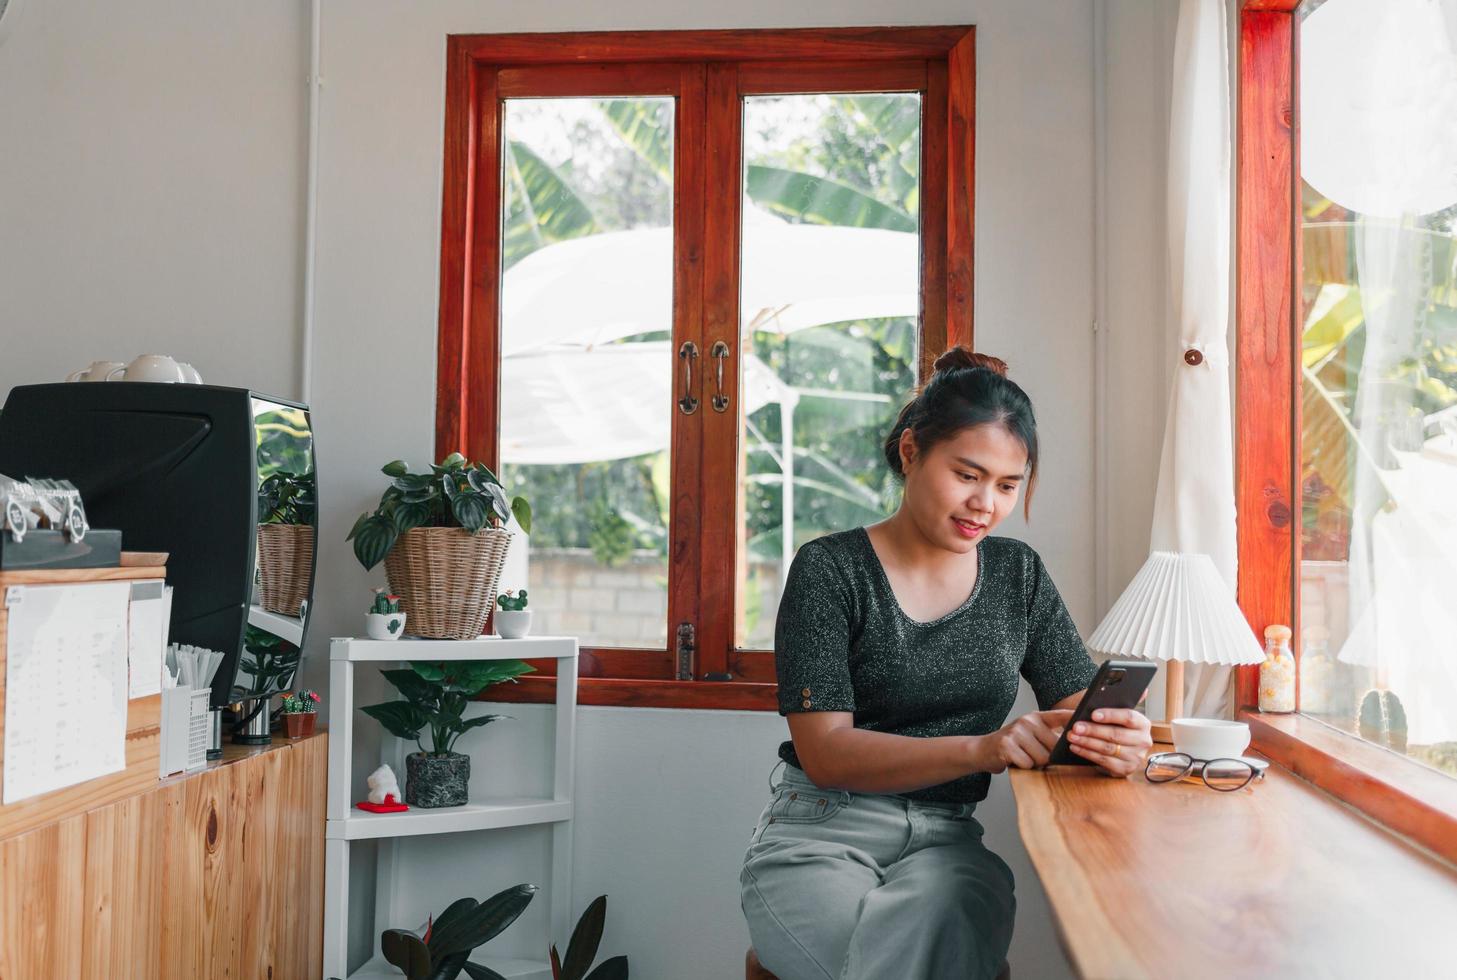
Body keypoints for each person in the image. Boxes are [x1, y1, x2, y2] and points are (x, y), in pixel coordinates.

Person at [738, 347, 1153, 980]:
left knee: (937, 926)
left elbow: (1077, 713)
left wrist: (1121, 742)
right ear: (911, 452)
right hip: (819, 835)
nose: (985, 503)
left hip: (947, 843)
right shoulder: (828, 570)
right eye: (967, 474)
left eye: (1007, 485)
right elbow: (825, 753)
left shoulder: (1019, 577)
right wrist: (984, 750)